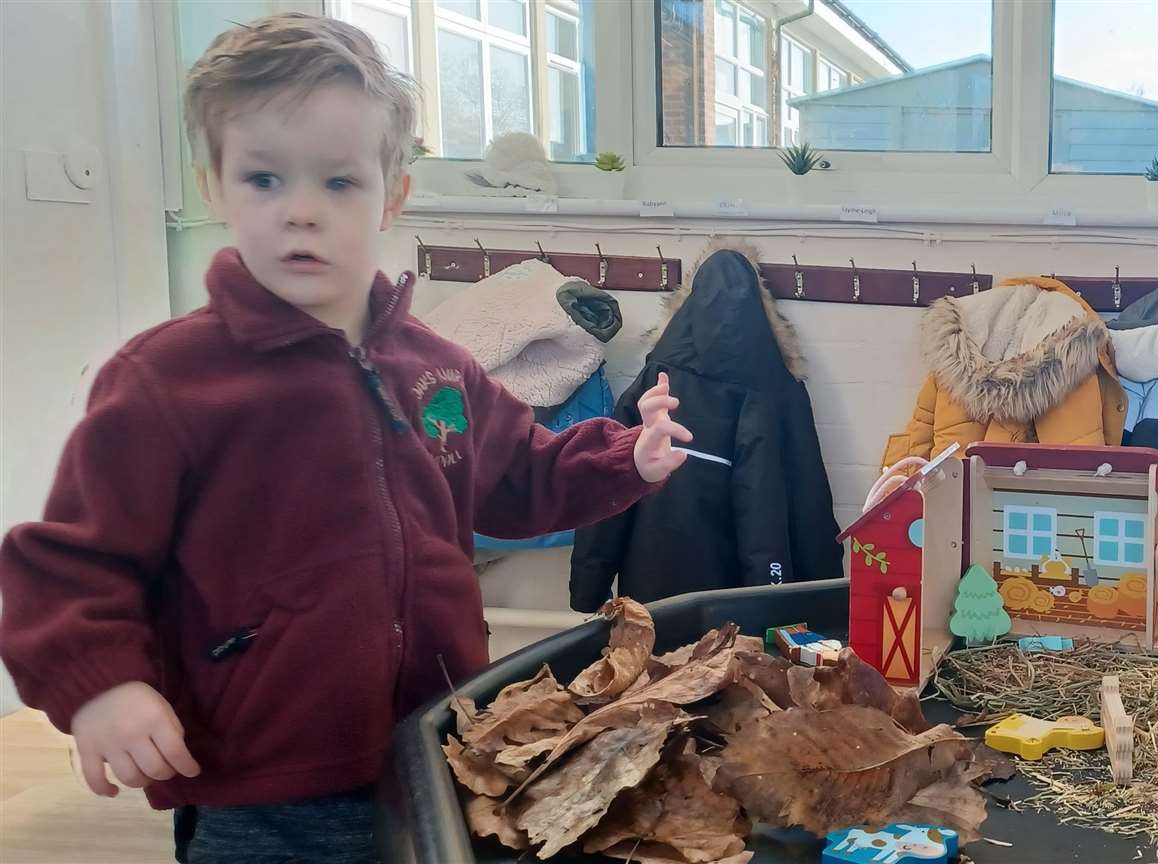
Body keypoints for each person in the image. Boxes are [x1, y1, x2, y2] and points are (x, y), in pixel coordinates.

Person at [0, 13, 689, 861]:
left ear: (391, 193)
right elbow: (70, 565)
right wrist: (103, 683)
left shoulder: (438, 367)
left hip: (437, 747)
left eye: (337, 183)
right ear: (213, 187)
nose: (300, 213)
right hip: (261, 786)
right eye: (262, 179)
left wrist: (627, 454)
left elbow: (519, 477)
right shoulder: (166, 382)